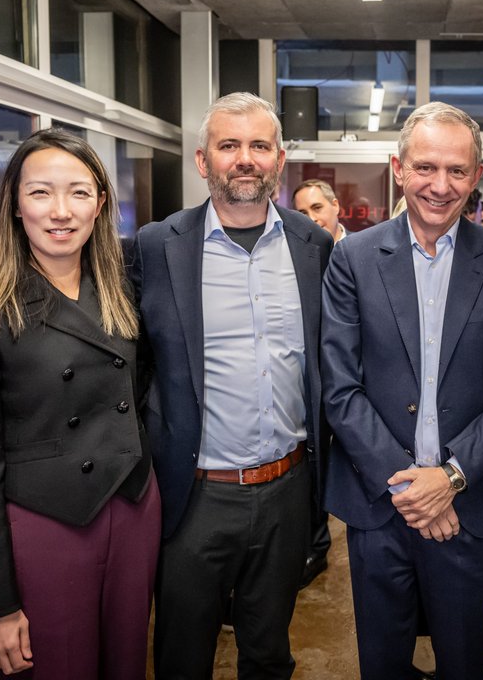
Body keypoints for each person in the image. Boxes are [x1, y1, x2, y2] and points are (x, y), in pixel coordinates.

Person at [0, 128, 159, 679]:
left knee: (126, 665)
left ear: (100, 204)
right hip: (45, 525)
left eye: (79, 192)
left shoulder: (126, 293)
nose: (61, 211)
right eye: (40, 193)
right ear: (13, 203)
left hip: (132, 508)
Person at [321, 101, 483, 680]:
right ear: (398, 167)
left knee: (464, 666)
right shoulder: (353, 258)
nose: (440, 185)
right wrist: (411, 488)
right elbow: (340, 388)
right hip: (379, 507)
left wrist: (450, 479)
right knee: (382, 667)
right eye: (425, 168)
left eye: (457, 171)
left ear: (477, 175)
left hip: (470, 509)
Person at [131, 92, 333, 679]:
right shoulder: (154, 246)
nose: (245, 159)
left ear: (280, 158)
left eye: (259, 146)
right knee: (181, 655)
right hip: (192, 496)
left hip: (287, 492)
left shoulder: (313, 247)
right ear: (203, 161)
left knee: (269, 653)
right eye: (229, 146)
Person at [291, 179, 341, 586]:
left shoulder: (361, 252)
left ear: (336, 207)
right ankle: (313, 543)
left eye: (318, 207)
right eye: (302, 211)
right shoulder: (298, 253)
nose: (312, 218)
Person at [293, 178, 346, 243]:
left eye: (317, 208)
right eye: (303, 213)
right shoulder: (295, 251)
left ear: (335, 206)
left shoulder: (360, 246)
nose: (312, 219)